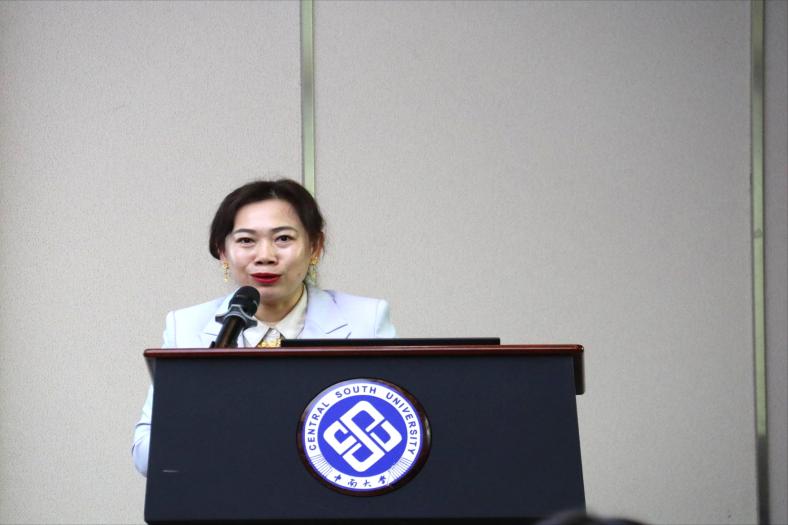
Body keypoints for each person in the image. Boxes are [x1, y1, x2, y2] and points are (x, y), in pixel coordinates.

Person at [131, 179, 395, 476]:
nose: (265, 255)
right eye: (246, 240)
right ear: (222, 251)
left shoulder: (365, 321)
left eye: (283, 238)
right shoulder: (186, 326)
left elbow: (397, 435)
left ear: (315, 247)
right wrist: (199, 416)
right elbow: (145, 457)